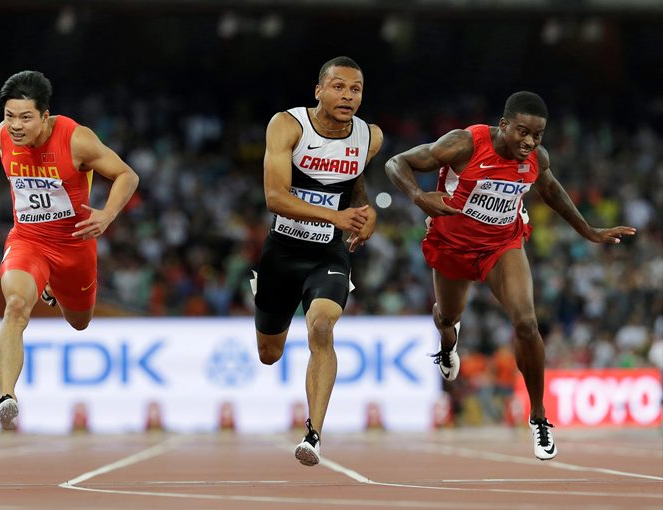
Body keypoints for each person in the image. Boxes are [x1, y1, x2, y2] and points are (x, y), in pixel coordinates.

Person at [384, 91, 636, 460]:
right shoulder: (464, 144)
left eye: (538, 135)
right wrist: (419, 197)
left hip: (503, 245)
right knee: (449, 316)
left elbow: (551, 191)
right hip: (453, 245)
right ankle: (447, 342)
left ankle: (538, 417)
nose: (530, 142)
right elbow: (396, 163)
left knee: (526, 323)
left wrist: (589, 231)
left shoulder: (536, 157)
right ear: (503, 125)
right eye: (522, 132)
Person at [0, 71, 139, 430]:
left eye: (26, 118)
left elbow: (127, 175)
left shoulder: (76, 139)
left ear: (45, 115)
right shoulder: (4, 134)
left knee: (79, 322)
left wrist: (106, 215)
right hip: (28, 242)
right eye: (10, 116)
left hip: (74, 247)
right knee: (16, 306)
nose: (16, 126)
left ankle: (53, 288)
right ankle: (6, 395)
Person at [252, 56, 383, 466]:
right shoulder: (287, 125)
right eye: (339, 87)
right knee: (269, 354)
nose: (348, 96)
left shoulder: (370, 136)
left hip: (328, 254)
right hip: (282, 253)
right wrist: (336, 216)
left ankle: (314, 434)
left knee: (322, 327)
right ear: (319, 91)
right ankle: (273, 308)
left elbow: (356, 184)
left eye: (356, 89)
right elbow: (275, 197)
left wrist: (366, 212)